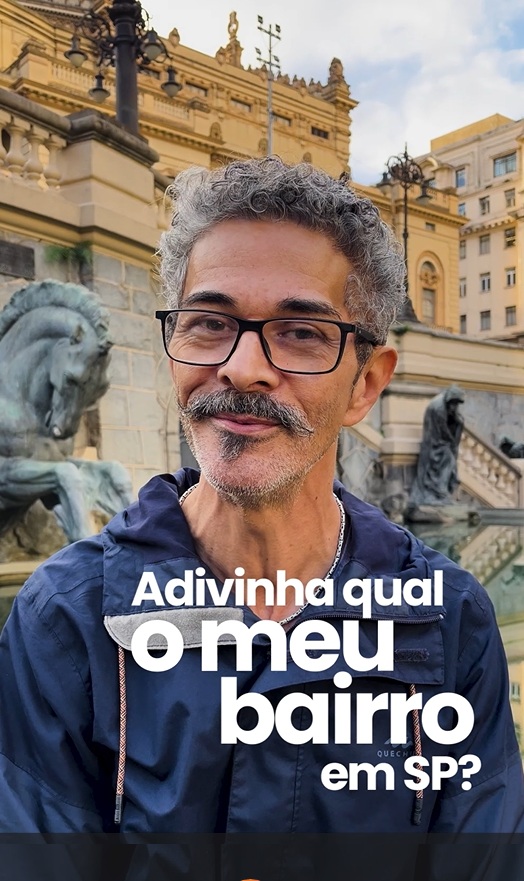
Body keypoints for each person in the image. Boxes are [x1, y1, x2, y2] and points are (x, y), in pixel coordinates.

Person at [0, 160, 522, 866]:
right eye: (210, 323)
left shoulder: (451, 622)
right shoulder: (64, 619)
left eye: (300, 333)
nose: (243, 367)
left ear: (366, 382)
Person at [409, 385, 465, 507]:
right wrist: (452, 443)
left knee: (449, 459)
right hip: (435, 441)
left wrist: (458, 422)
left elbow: (454, 422)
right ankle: (439, 491)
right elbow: (444, 431)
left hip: (440, 441)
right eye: (454, 403)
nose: (455, 407)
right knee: (448, 459)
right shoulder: (438, 409)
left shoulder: (447, 405)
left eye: (457, 404)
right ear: (449, 400)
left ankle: (441, 490)